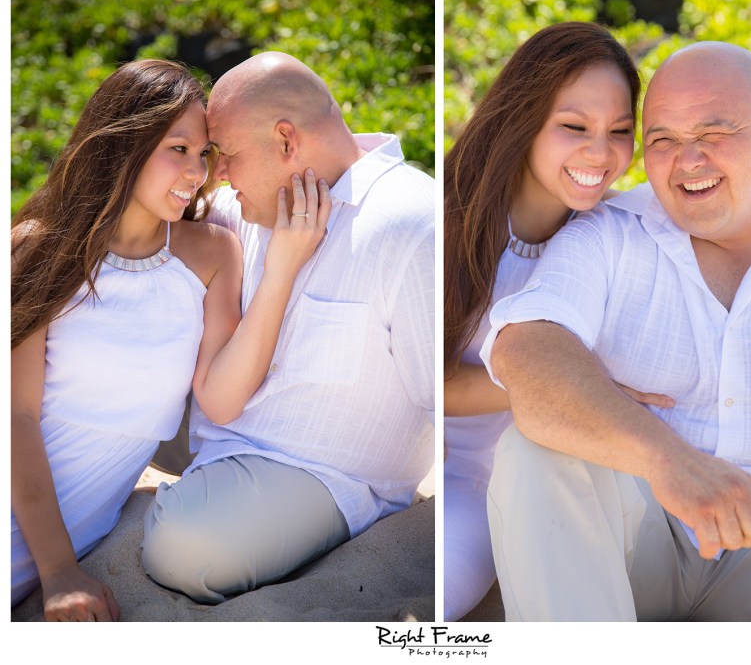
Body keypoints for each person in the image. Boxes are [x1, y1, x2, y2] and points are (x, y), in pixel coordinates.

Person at [443, 23, 751, 621]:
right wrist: (672, 461)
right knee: (536, 450)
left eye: (714, 132)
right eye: (662, 138)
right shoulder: (607, 231)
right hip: (644, 544)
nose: (689, 160)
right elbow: (526, 350)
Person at [10, 59, 329, 620]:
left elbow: (221, 398)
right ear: (124, 144)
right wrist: (59, 569)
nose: (196, 173)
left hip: (68, 539)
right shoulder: (41, 248)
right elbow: (15, 417)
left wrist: (280, 272)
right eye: (177, 149)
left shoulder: (210, 255)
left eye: (204, 154)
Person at [141, 51, 435, 605]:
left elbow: (444, 394)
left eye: (224, 154)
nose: (217, 174)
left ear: (285, 141)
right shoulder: (246, 206)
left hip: (317, 473)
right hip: (211, 426)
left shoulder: (411, 225)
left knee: (185, 550)